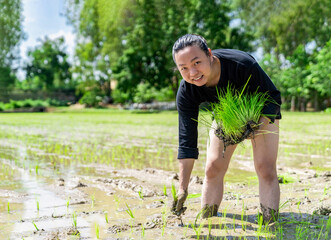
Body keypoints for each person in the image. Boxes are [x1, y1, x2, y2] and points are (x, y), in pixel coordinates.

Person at [171, 34, 281, 223]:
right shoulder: (187, 90)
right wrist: (183, 188)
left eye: (197, 62)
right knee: (213, 167)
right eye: (184, 68)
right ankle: (208, 221)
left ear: (210, 55)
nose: (192, 72)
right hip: (226, 115)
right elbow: (187, 140)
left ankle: (270, 222)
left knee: (265, 168)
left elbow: (273, 97)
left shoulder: (242, 64)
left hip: (262, 111)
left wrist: (254, 128)